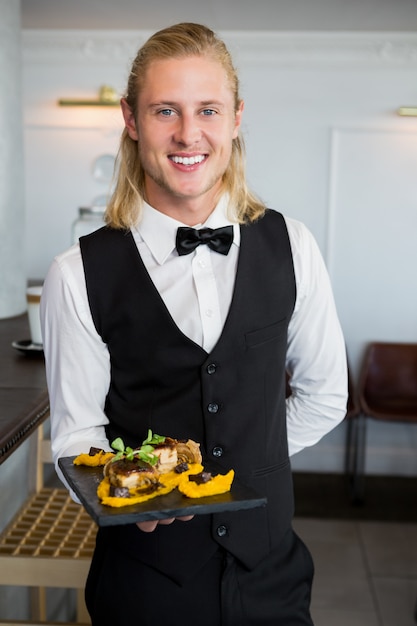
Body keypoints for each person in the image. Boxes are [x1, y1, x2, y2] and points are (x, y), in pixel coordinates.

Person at [40, 22, 347, 626]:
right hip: (145, 585)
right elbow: (77, 437)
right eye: (165, 111)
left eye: (207, 109)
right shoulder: (76, 272)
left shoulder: (295, 246)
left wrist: (244, 462)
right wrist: (133, 493)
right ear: (131, 119)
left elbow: (325, 395)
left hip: (272, 580)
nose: (188, 134)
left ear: (235, 118)